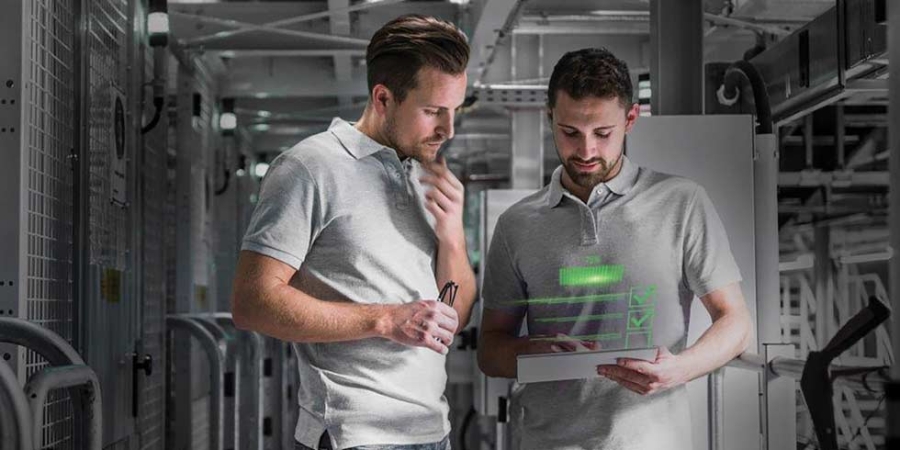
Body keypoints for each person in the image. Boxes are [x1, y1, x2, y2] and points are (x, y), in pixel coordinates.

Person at [477, 48, 753, 449]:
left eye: (602, 134)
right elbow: (490, 350)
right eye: (570, 132)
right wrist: (535, 351)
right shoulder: (516, 224)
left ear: (630, 119)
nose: (586, 151)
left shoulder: (681, 202)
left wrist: (679, 369)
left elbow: (736, 323)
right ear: (549, 117)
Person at [231, 14, 476, 450]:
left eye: (455, 110)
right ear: (383, 98)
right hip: (354, 437)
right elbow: (252, 302)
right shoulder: (311, 167)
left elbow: (453, 314)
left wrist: (453, 236)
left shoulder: (426, 176)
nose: (448, 129)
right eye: (433, 110)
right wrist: (385, 319)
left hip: (432, 431)